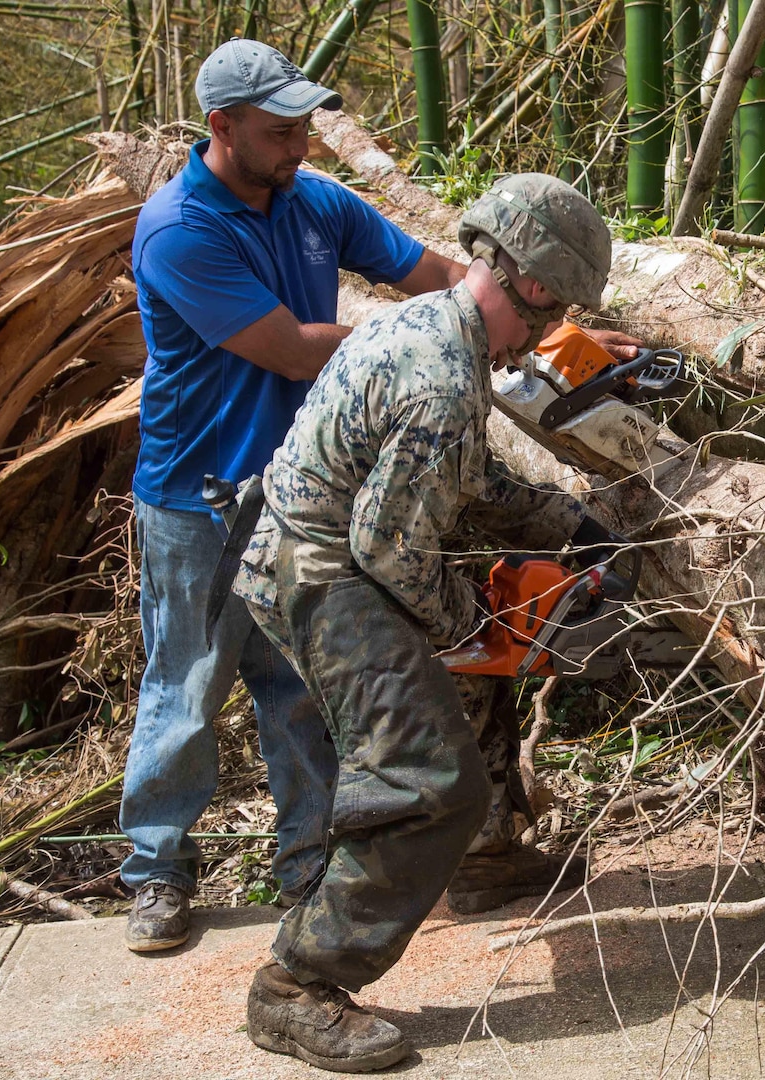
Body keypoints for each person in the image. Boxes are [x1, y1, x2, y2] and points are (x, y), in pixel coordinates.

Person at [122, 38, 633, 953]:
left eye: (308, 127)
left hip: (309, 487)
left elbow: (442, 277)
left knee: (304, 699)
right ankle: (157, 872)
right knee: (187, 691)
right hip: (201, 490)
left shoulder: (313, 201)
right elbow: (285, 347)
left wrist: (551, 334)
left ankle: (310, 866)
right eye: (281, 132)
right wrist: (427, 339)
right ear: (222, 127)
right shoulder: (179, 230)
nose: (302, 147)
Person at [228, 174, 618, 1071]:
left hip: (317, 547)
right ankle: (296, 983)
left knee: (472, 695)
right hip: (323, 573)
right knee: (427, 774)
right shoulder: (445, 374)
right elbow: (391, 549)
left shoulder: (428, 324)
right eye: (554, 307)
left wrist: (570, 524)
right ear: (530, 282)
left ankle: (481, 863)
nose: (549, 328)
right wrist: (476, 624)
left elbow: (467, 479)